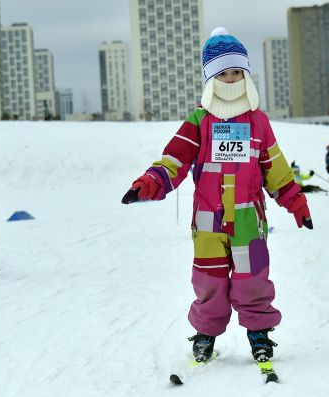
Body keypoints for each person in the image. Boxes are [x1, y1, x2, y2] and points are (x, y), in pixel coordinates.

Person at [121, 28, 312, 364]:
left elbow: (276, 168)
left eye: (237, 72)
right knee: (208, 281)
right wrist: (148, 183)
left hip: (248, 219)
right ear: (211, 78)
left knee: (252, 280)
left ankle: (259, 335)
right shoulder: (199, 121)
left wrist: (295, 201)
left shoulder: (258, 122)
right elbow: (174, 159)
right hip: (208, 222)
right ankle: (205, 334)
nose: (231, 78)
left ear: (246, 75)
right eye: (223, 73)